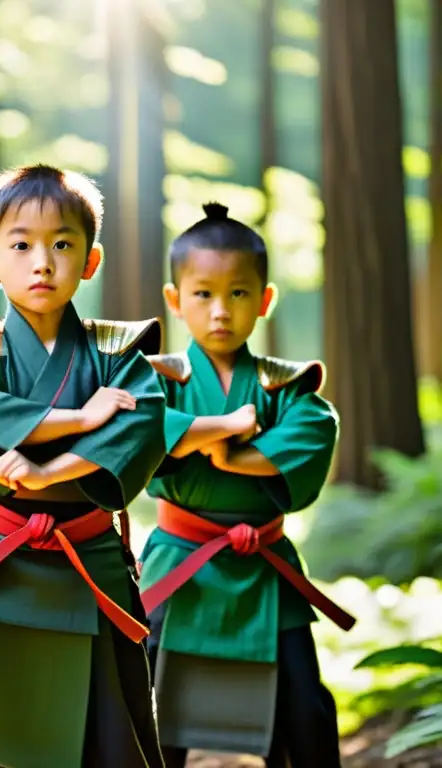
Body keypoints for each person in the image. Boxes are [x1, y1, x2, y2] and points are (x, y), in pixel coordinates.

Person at [0, 163, 168, 768]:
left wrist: (47, 474)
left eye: (62, 244)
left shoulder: (120, 351)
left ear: (91, 260)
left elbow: (142, 426)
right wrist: (82, 420)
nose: (42, 262)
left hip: (87, 560)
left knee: (108, 735)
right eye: (21, 245)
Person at [138, 202, 353, 768]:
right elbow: (137, 430)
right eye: (203, 293)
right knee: (150, 704)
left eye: (238, 294)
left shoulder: (287, 384)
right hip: (180, 565)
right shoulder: (156, 377)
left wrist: (224, 453)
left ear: (265, 299)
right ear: (174, 299)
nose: (220, 311)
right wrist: (225, 427)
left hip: (263, 566)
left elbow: (313, 430)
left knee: (305, 708)